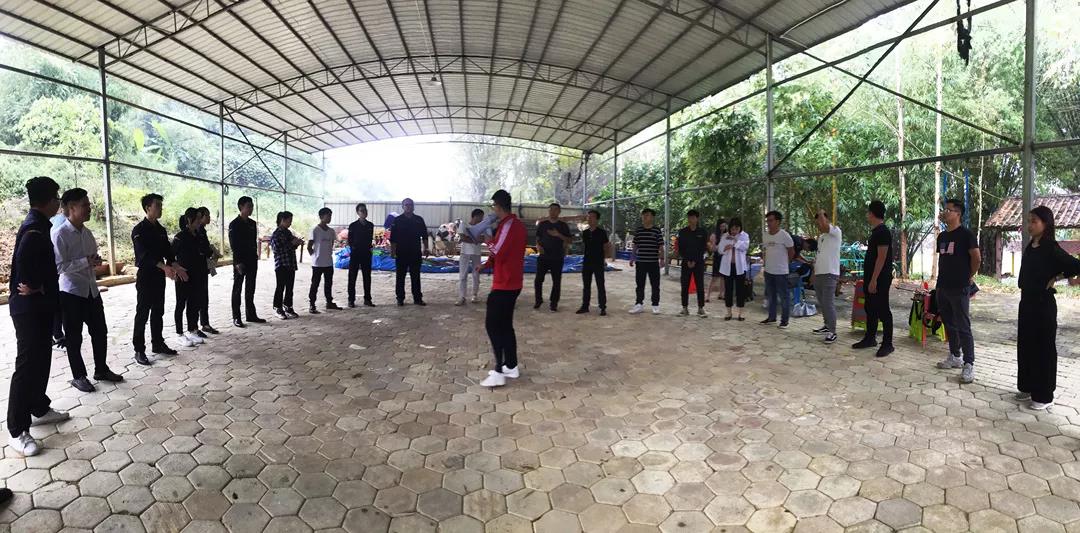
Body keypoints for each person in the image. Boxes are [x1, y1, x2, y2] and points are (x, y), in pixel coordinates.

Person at [8, 176, 71, 456]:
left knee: (42, 358)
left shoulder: (40, 224)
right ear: (47, 200)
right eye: (57, 197)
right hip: (29, 309)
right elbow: (24, 263)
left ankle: (39, 408)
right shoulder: (34, 228)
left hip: (41, 306)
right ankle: (16, 430)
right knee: (27, 366)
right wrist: (37, 286)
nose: (59, 201)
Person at [51, 188, 123, 393]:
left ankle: (101, 369)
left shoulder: (87, 233)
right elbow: (58, 267)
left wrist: (94, 261)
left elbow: (91, 258)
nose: (89, 208)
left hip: (91, 290)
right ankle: (79, 376)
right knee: (74, 338)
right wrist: (85, 262)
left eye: (89, 205)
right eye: (85, 205)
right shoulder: (60, 234)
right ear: (71, 208)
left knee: (100, 332)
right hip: (71, 293)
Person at [1016, 206, 1080, 410]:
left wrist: (1058, 277)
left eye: (1034, 221)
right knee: (1026, 345)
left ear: (1046, 224)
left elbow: (1075, 266)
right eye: (1029, 221)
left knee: (1043, 349)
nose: (1030, 225)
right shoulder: (1031, 246)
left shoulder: (1051, 247)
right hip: (1026, 302)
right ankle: (1027, 386)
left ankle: (1044, 395)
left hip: (1043, 305)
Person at [479, 189, 526, 388]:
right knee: (505, 326)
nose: (493, 210)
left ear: (498, 206)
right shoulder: (513, 225)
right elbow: (502, 251)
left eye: (493, 206)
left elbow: (498, 249)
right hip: (511, 281)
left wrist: (486, 239)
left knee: (493, 326)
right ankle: (511, 366)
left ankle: (499, 371)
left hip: (505, 284)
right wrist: (486, 264)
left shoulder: (509, 225)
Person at [132, 193, 186, 366]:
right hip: (146, 276)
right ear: (148, 208)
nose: (161, 208)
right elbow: (143, 255)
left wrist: (176, 266)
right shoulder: (139, 230)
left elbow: (168, 253)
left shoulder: (161, 230)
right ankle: (139, 349)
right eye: (158, 205)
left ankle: (157, 343)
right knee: (142, 313)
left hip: (158, 277)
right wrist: (164, 267)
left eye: (161, 205)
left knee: (158, 311)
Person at [934, 199, 981, 383]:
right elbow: (944, 260)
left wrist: (969, 276)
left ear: (958, 214)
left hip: (959, 286)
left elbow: (976, 258)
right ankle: (955, 356)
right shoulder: (942, 237)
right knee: (949, 324)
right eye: (944, 209)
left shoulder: (966, 235)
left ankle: (969, 363)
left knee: (963, 326)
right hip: (942, 286)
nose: (945, 212)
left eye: (949, 210)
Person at [853, 200, 895, 357]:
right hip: (871, 276)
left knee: (882, 309)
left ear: (872, 213)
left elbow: (881, 258)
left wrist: (874, 279)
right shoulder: (876, 231)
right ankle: (870, 338)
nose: (867, 215)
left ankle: (888, 344)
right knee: (870, 308)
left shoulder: (883, 232)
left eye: (868, 212)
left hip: (880, 278)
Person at [172, 208, 209, 348]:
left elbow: (205, 251)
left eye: (200, 218)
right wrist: (177, 270)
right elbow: (170, 256)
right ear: (189, 219)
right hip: (183, 276)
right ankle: (179, 333)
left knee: (194, 303)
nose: (200, 221)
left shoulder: (199, 235)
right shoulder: (180, 237)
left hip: (197, 275)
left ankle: (192, 329)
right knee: (181, 303)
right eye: (197, 218)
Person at [229, 196, 264, 328]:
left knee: (250, 288)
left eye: (252, 206)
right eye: (248, 206)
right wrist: (237, 262)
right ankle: (236, 317)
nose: (251, 208)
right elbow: (234, 245)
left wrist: (255, 256)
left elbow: (253, 242)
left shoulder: (252, 223)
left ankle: (251, 315)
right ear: (241, 207)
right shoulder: (234, 224)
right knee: (237, 288)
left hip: (251, 260)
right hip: (240, 261)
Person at [390, 198, 430, 306]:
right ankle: (400, 298)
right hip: (401, 253)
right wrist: (392, 252)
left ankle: (417, 298)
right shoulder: (397, 220)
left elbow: (425, 236)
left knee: (415, 276)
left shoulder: (419, 220)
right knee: (400, 276)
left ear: (413, 206)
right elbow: (393, 238)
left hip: (415, 252)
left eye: (410, 204)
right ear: (402, 207)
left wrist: (426, 248)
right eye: (406, 205)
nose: (408, 206)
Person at [811, 211, 842, 344]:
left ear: (827, 219)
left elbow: (825, 225)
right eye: (817, 222)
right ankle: (826, 325)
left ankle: (832, 331)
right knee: (822, 302)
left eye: (820, 220)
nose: (819, 224)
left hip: (830, 273)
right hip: (819, 273)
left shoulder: (835, 231)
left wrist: (821, 212)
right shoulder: (821, 237)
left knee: (828, 303)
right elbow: (818, 256)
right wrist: (814, 273)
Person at [534, 203, 572, 311]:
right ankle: (538, 300)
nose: (552, 212)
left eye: (555, 210)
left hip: (557, 257)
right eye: (551, 209)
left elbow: (569, 240)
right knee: (538, 280)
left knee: (556, 281)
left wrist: (558, 235)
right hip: (543, 256)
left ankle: (554, 303)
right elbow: (537, 238)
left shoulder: (563, 226)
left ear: (559, 212)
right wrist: (538, 246)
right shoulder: (543, 224)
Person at [761, 210, 795, 328]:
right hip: (768, 271)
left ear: (778, 221)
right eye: (767, 221)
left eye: (771, 220)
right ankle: (772, 317)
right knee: (771, 295)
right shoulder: (765, 235)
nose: (768, 223)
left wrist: (786, 263)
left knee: (784, 296)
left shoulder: (784, 235)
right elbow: (765, 251)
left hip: (781, 272)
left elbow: (791, 251)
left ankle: (784, 320)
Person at [629, 208, 663, 315]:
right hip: (641, 262)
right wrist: (632, 257)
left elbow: (660, 246)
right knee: (640, 284)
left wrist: (662, 259)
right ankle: (639, 304)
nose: (644, 217)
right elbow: (635, 245)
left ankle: (655, 305)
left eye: (647, 215)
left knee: (655, 284)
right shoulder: (639, 230)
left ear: (652, 217)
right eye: (643, 215)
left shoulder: (656, 230)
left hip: (653, 262)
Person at [577, 210, 611, 316]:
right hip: (587, 261)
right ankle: (585, 306)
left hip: (598, 261)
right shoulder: (585, 233)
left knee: (600, 285)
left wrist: (605, 259)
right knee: (586, 285)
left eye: (592, 217)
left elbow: (606, 246)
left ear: (597, 219)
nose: (589, 219)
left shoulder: (602, 232)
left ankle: (602, 307)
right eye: (588, 217)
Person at [308, 207, 341, 313]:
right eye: (328, 215)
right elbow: (309, 246)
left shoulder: (331, 231)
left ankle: (329, 302)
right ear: (321, 216)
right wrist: (315, 256)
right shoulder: (315, 230)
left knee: (328, 283)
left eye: (331, 215)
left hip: (328, 262)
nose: (330, 217)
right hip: (317, 263)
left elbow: (331, 244)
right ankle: (312, 304)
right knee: (315, 284)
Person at [271, 211, 303, 320]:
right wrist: (292, 244)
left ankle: (288, 306)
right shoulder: (276, 234)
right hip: (281, 264)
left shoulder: (288, 232)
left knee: (290, 287)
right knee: (280, 287)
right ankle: (277, 308)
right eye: (289, 221)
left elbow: (292, 244)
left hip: (290, 263)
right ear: (282, 220)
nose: (290, 223)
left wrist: (297, 242)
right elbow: (277, 250)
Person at [457, 209, 493, 306]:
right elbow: (462, 237)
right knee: (462, 275)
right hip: (465, 253)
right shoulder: (464, 224)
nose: (482, 219)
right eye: (481, 217)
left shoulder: (482, 227)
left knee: (476, 274)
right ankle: (462, 297)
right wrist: (475, 240)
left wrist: (469, 238)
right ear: (476, 216)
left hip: (476, 253)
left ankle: (474, 295)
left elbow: (483, 239)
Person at [677, 209, 709, 317]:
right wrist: (687, 260)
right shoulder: (683, 232)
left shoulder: (702, 232)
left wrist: (695, 261)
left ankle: (701, 308)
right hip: (686, 262)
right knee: (684, 285)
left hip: (698, 262)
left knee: (700, 285)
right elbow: (681, 248)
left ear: (697, 219)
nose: (691, 220)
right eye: (689, 217)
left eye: (693, 217)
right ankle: (684, 308)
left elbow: (703, 248)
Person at [718, 217, 750, 321]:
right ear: (729, 228)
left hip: (740, 267)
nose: (734, 231)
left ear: (740, 228)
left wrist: (735, 241)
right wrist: (724, 248)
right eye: (732, 229)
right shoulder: (725, 236)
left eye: (736, 229)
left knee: (740, 290)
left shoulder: (744, 236)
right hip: (728, 267)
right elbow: (720, 250)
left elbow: (745, 247)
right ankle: (729, 312)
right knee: (728, 290)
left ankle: (741, 313)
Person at [196, 207, 220, 334]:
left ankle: (204, 323)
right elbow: (202, 249)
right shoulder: (197, 231)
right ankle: (196, 326)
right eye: (207, 215)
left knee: (204, 296)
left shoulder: (202, 230)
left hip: (203, 267)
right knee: (199, 297)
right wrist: (211, 251)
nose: (209, 218)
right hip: (197, 268)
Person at [347, 203, 376, 308]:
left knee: (367, 277)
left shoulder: (370, 225)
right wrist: (354, 248)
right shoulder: (353, 226)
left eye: (365, 210)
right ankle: (351, 300)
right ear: (358, 212)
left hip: (366, 254)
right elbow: (350, 240)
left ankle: (367, 299)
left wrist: (369, 249)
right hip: (355, 254)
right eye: (362, 210)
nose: (364, 212)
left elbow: (370, 239)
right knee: (352, 277)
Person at [50, 204, 67, 351]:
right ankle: (57, 334)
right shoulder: (63, 222)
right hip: (58, 270)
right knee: (58, 304)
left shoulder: (52, 220)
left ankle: (55, 333)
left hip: (52, 268)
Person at [706, 219, 727, 302]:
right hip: (717, 257)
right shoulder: (714, 235)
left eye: (724, 226)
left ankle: (721, 294)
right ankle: (707, 296)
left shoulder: (727, 235)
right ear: (718, 226)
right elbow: (712, 249)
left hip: (724, 257)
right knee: (714, 277)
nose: (723, 228)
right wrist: (714, 243)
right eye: (721, 226)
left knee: (723, 277)